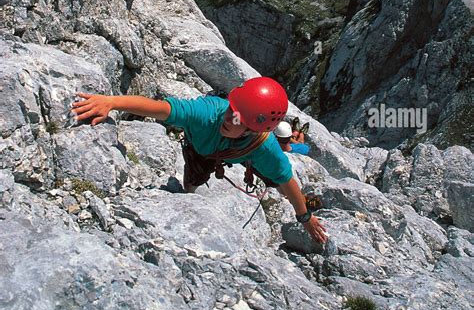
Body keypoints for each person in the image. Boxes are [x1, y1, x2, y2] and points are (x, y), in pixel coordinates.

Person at [71, 76, 327, 244]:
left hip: (239, 153)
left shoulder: (264, 148)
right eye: (231, 109)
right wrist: (112, 103)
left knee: (274, 180)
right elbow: (160, 108)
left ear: (253, 130)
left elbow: (287, 180)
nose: (228, 118)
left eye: (237, 119)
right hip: (200, 147)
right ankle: (188, 193)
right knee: (194, 172)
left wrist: (305, 218)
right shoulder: (207, 114)